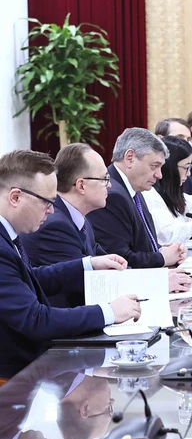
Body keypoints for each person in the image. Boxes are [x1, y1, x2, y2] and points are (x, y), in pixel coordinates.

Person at [0, 150, 141, 378]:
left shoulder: (8, 234)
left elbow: (32, 280)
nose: (52, 210)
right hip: (12, 378)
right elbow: (36, 320)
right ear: (15, 197)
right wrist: (109, 312)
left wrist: (87, 265)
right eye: (46, 202)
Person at [21, 143, 192, 296]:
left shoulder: (79, 218)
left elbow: (115, 266)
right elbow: (89, 286)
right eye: (104, 179)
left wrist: (158, 277)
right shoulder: (56, 225)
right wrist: (157, 283)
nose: (109, 185)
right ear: (81, 185)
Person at [87, 128, 188, 269]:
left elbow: (141, 245)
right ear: (130, 158)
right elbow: (119, 259)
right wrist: (162, 258)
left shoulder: (134, 190)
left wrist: (164, 250)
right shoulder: (111, 195)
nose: (159, 175)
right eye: (154, 166)